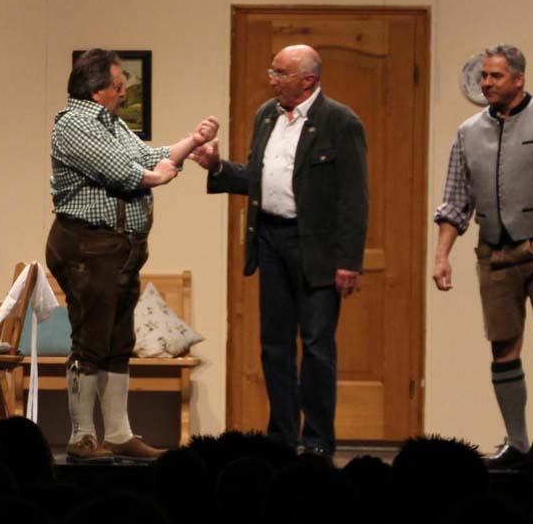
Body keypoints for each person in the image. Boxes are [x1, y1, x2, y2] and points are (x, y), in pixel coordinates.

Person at [191, 44, 368, 457]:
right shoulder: (266, 115)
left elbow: (354, 197)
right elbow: (258, 178)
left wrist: (349, 261)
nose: (271, 80)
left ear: (308, 80)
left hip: (316, 247)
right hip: (270, 240)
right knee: (274, 345)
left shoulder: (339, 121)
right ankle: (282, 438)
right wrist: (218, 167)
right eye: (272, 71)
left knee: (317, 345)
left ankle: (318, 440)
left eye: (280, 73)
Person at [47, 48, 218, 462]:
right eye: (118, 84)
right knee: (91, 339)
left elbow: (144, 156)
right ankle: (83, 437)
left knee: (118, 339)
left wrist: (191, 142)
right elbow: (120, 171)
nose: (124, 91)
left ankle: (119, 433)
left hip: (119, 250)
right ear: (97, 89)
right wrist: (156, 178)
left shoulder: (111, 123)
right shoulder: (75, 123)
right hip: (88, 246)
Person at [432, 44, 533, 470]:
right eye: (483, 76)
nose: (486, 83)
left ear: (518, 79)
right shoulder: (468, 132)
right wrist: (442, 255)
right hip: (494, 250)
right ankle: (517, 444)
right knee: (503, 344)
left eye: (495, 76)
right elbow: (455, 201)